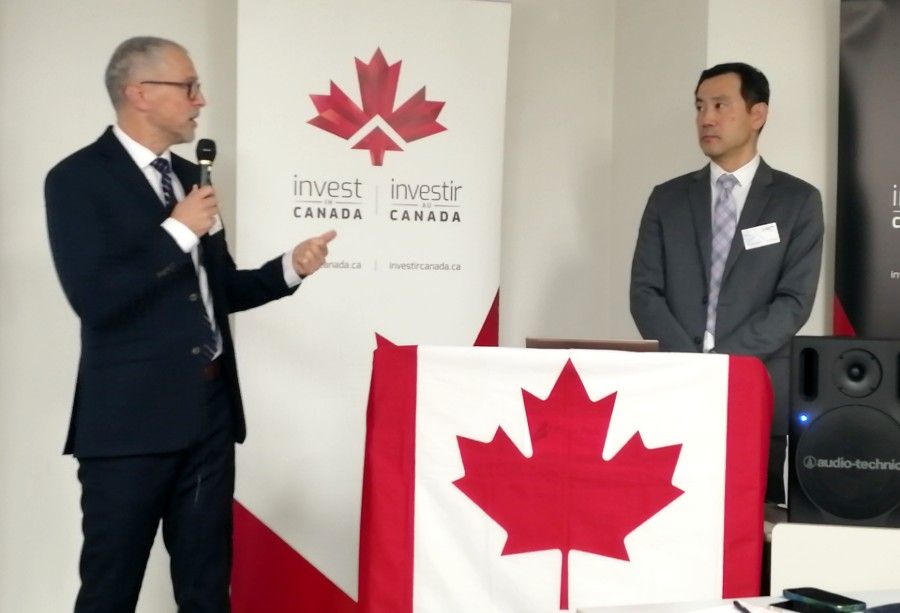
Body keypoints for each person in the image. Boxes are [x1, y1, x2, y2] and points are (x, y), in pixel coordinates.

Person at [45, 36, 335, 612]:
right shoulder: (77, 179)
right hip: (127, 425)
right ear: (140, 93)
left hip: (208, 417)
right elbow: (95, 299)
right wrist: (178, 231)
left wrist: (289, 269)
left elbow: (215, 291)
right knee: (110, 589)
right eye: (189, 87)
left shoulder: (189, 178)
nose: (201, 100)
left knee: (206, 588)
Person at [629, 62, 824, 504]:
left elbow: (794, 301)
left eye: (720, 105)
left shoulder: (798, 201)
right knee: (665, 515)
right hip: (674, 387)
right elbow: (644, 292)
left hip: (757, 389)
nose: (706, 118)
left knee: (754, 525)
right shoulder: (667, 198)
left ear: (758, 114)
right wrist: (691, 364)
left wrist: (723, 363)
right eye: (699, 107)